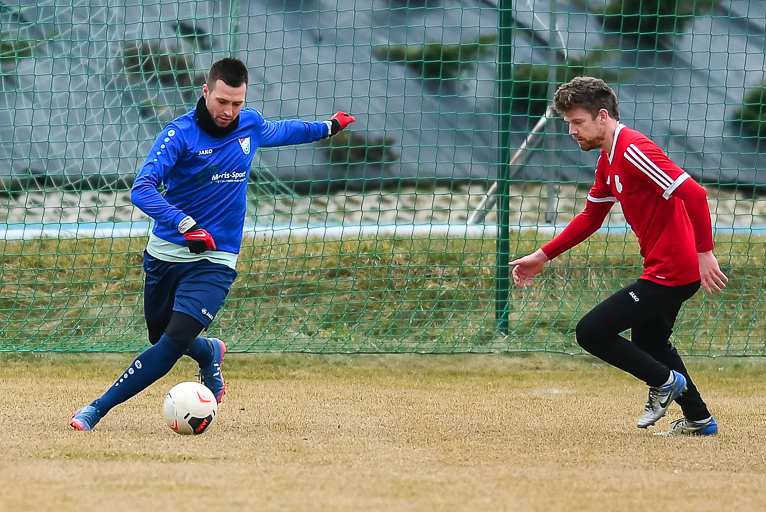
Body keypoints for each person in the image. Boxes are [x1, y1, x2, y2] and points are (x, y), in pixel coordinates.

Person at [71, 57, 355, 431]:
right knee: (159, 334)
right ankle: (209, 351)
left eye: (237, 103)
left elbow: (284, 130)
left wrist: (328, 127)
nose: (228, 111)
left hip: (216, 257)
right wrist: (184, 223)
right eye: (222, 101)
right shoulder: (179, 134)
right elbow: (142, 189)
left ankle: (95, 409)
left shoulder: (249, 124)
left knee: (172, 342)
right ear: (206, 92)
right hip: (166, 252)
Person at [509, 77, 727, 436]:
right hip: (666, 266)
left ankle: (664, 382)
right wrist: (542, 256)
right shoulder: (607, 159)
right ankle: (699, 420)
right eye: (568, 123)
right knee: (651, 344)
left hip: (674, 268)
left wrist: (705, 252)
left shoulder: (634, 149)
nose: (572, 131)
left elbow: (695, 194)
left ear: (602, 116)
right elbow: (590, 218)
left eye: (577, 122)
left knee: (592, 332)